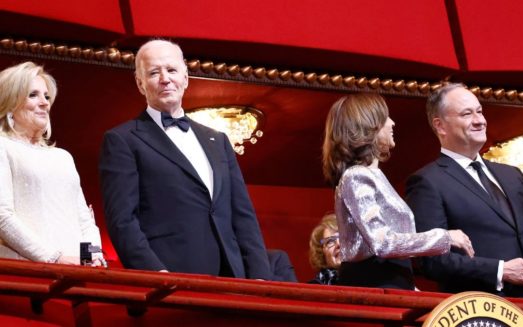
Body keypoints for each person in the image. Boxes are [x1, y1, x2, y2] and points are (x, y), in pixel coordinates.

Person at [99, 40, 271, 279]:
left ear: (186, 78)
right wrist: (155, 274)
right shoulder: (122, 140)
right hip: (172, 278)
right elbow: (122, 220)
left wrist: (260, 276)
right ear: (140, 84)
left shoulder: (218, 140)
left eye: (171, 70)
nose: (165, 78)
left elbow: (243, 215)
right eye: (153, 72)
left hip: (233, 277)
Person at [406, 83, 523, 299]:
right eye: (467, 114)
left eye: (479, 111)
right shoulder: (427, 182)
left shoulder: (512, 175)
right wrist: (500, 270)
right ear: (440, 126)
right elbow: (432, 261)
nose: (479, 120)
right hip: (482, 310)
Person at [322, 93, 474, 290]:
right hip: (373, 286)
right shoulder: (356, 176)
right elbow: (382, 242)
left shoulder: (374, 176)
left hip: (391, 283)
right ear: (369, 126)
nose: (392, 123)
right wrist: (445, 237)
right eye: (385, 118)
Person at [0, 61, 104, 266]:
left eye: (46, 96)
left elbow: (85, 222)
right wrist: (55, 258)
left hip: (74, 275)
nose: (45, 103)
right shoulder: (4, 147)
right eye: (33, 95)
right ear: (10, 103)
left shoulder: (63, 157)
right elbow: (3, 217)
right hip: (30, 274)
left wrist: (91, 257)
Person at [308, 213, 341, 285]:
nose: (338, 244)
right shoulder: (315, 288)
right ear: (322, 252)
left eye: (342, 238)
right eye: (330, 241)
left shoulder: (368, 277)